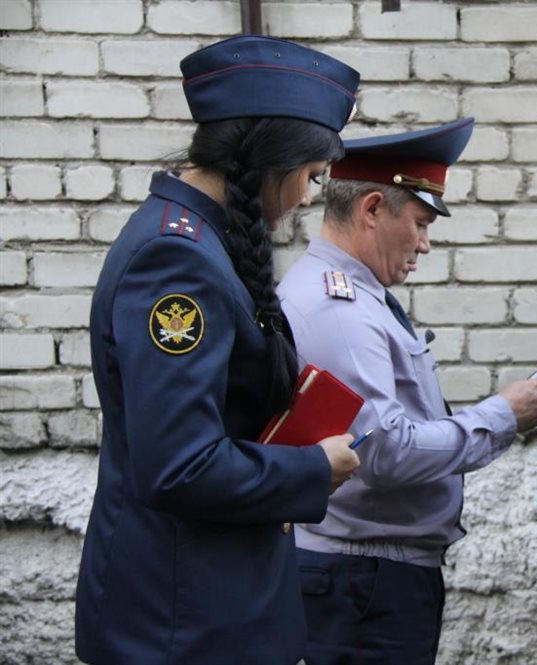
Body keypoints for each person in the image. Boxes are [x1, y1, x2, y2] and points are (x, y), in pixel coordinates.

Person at [75, 36, 363, 664]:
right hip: (182, 622)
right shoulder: (175, 259)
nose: (311, 197)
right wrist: (314, 469)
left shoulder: (199, 240)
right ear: (269, 158)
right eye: (312, 176)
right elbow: (179, 464)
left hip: (209, 607)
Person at [277, 118, 537, 665]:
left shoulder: (358, 296)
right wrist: (505, 415)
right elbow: (386, 452)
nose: (424, 243)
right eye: (419, 222)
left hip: (369, 572)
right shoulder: (339, 308)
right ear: (371, 209)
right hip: (362, 578)